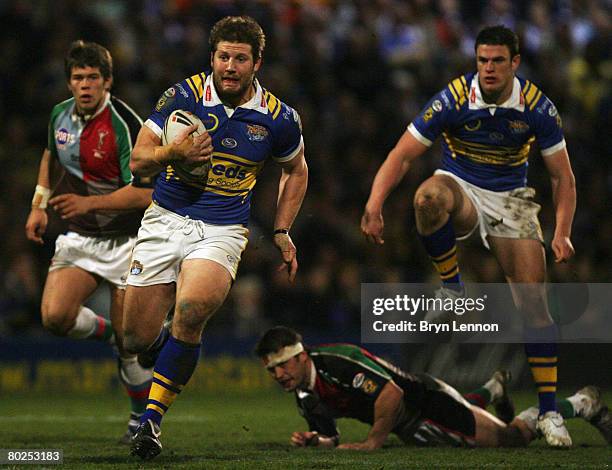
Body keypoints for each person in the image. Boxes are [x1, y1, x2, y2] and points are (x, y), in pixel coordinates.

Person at [360, 25, 576, 447]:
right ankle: (452, 289)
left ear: (515, 62)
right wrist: (374, 203)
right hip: (460, 187)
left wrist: (563, 232)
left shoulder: (537, 108)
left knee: (535, 305)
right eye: (482, 60)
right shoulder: (454, 98)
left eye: (497, 61)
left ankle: (550, 412)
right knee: (427, 198)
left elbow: (562, 178)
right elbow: (402, 154)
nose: (488, 69)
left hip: (511, 199)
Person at [124, 16, 308, 460]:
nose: (230, 65)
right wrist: (176, 152)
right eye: (223, 56)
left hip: (222, 229)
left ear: (256, 63)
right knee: (133, 339)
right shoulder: (183, 95)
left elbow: (296, 170)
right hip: (165, 220)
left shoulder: (278, 119)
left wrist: (282, 230)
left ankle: (150, 421)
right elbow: (138, 161)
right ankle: (162, 337)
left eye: (240, 58)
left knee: (192, 309)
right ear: (212, 58)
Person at [24, 40, 154, 443]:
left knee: (133, 342)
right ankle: (111, 334)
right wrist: (39, 204)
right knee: (55, 318)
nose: (85, 85)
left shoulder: (125, 126)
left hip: (128, 239)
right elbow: (49, 155)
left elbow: (146, 193)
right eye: (78, 78)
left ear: (107, 81)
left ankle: (140, 420)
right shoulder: (59, 115)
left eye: (92, 78)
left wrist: (87, 202)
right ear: (69, 82)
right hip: (82, 236)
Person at [256, 326, 611, 449]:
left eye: (282, 365)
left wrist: (373, 441)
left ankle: (582, 403)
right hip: (414, 421)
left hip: (428, 405)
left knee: (512, 438)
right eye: (272, 370)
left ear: (301, 357)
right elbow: (330, 434)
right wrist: (316, 440)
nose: (279, 375)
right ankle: (493, 390)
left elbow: (391, 394)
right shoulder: (305, 394)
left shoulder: (337, 363)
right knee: (471, 414)